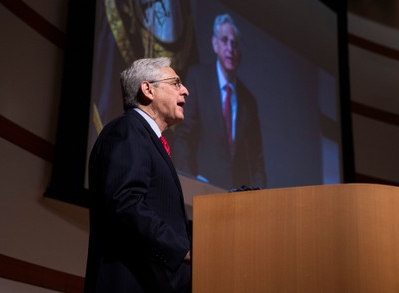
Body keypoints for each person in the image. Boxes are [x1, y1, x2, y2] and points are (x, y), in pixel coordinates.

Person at [84, 57, 191, 293]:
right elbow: (126, 203)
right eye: (176, 83)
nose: (185, 90)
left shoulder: (146, 137)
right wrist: (183, 249)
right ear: (147, 89)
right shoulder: (127, 130)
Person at [172, 13, 266, 190]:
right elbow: (183, 136)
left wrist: (260, 198)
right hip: (201, 189)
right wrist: (188, 181)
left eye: (235, 43)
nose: (230, 48)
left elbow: (256, 157)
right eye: (225, 40)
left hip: (237, 197)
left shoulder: (248, 101)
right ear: (215, 44)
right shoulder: (198, 79)